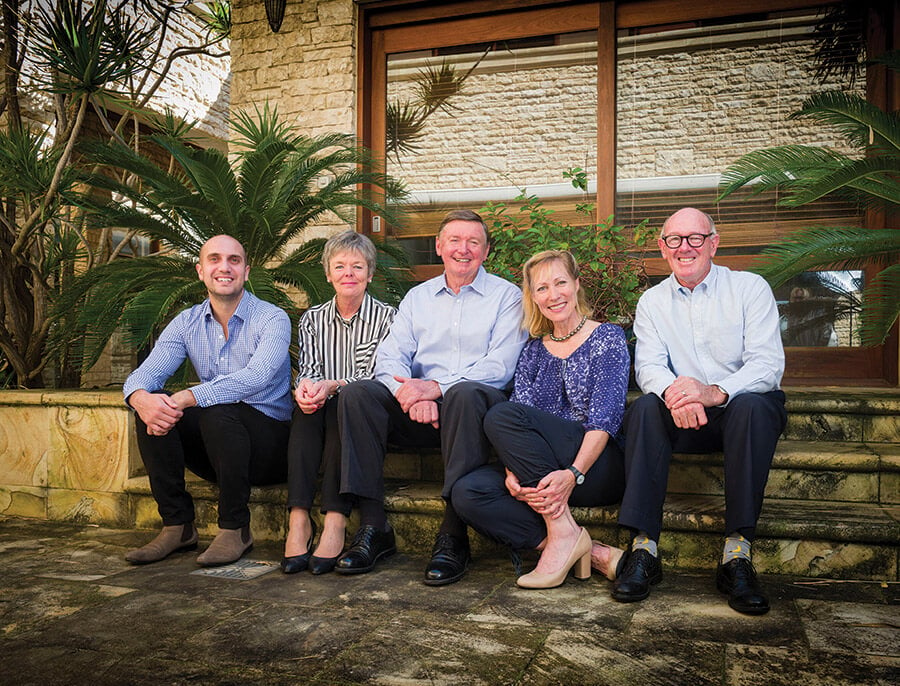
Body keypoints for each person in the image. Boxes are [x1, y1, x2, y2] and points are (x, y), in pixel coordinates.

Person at [336, 209, 527, 584]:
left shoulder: (507, 297)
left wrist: (438, 388)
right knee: (358, 394)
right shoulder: (417, 298)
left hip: (473, 412)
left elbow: (501, 366)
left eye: (474, 242)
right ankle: (374, 528)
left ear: (486, 251)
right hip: (419, 409)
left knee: (466, 393)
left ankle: (453, 535)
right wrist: (410, 394)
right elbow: (390, 358)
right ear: (439, 246)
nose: (463, 249)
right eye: (454, 240)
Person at [612, 207, 786, 615]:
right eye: (674, 239)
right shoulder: (652, 301)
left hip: (740, 408)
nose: (684, 247)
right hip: (684, 411)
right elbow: (649, 366)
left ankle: (737, 555)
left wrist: (714, 392)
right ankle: (643, 549)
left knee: (751, 408)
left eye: (695, 237)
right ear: (662, 246)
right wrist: (678, 393)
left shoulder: (749, 288)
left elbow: (766, 365)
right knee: (642, 410)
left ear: (713, 242)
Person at [452, 250, 629, 588]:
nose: (553, 294)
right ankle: (582, 547)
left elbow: (604, 420)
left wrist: (573, 473)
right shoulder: (533, 350)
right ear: (533, 297)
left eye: (560, 283)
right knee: (467, 492)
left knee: (499, 413)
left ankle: (563, 534)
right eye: (542, 288)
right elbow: (519, 418)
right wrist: (512, 472)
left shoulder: (607, 339)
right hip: (542, 477)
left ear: (576, 285)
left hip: (594, 470)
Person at [123, 235, 293, 567]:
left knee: (215, 410)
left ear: (246, 271)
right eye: (214, 260)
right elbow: (143, 375)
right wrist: (140, 398)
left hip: (271, 447)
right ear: (201, 271)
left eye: (234, 260)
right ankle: (177, 525)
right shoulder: (186, 323)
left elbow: (256, 376)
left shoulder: (272, 318)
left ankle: (235, 528)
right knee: (154, 408)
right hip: (220, 451)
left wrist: (188, 396)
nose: (224, 267)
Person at [281, 231, 396, 575]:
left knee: (341, 403)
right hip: (322, 405)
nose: (349, 273)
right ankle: (298, 520)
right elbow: (310, 369)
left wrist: (332, 386)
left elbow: (378, 375)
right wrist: (304, 388)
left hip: (366, 412)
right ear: (328, 274)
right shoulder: (312, 319)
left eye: (357, 266)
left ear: (370, 274)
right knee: (306, 411)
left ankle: (335, 520)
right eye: (340, 266)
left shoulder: (388, 317)